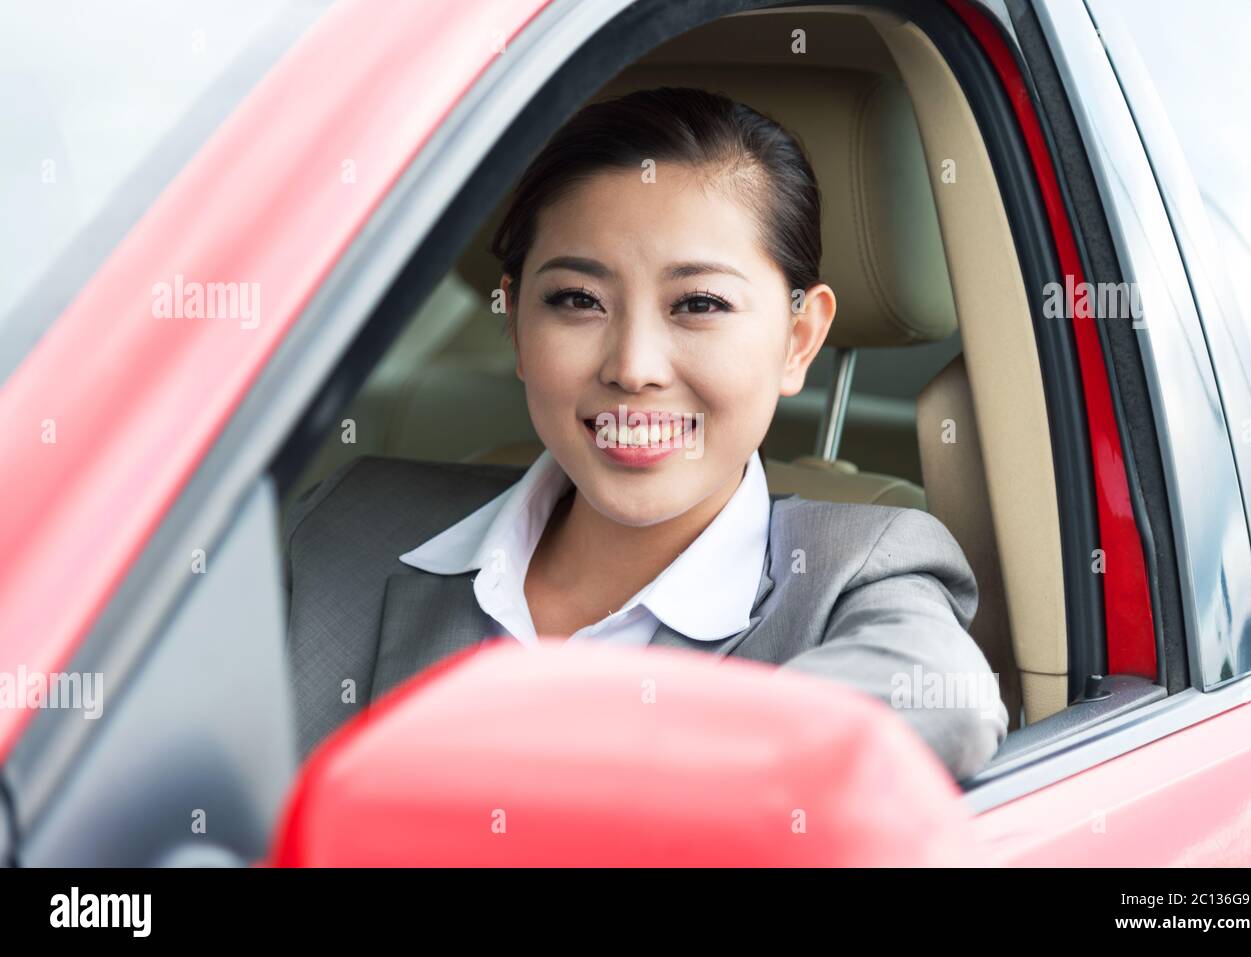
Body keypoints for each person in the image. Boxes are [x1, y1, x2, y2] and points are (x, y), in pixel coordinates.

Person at [283, 86, 1009, 779]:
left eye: (698, 302)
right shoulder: (347, 521)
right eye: (577, 300)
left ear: (798, 337)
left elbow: (948, 701)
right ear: (514, 321)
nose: (633, 367)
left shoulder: (859, 570)